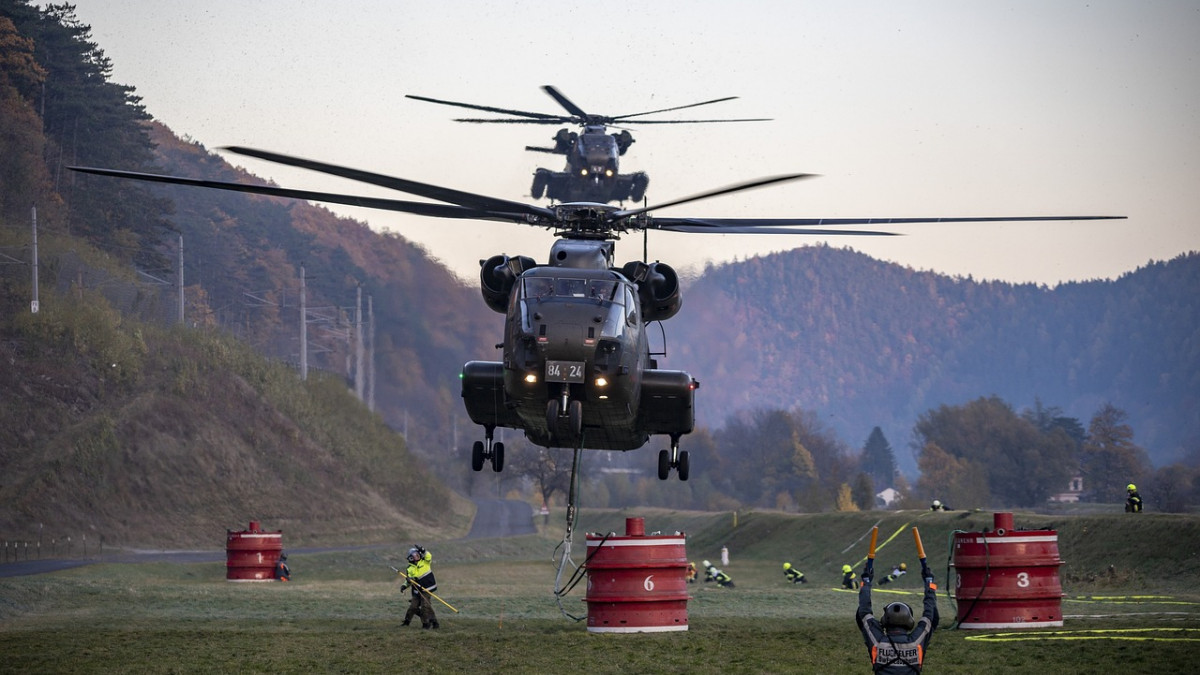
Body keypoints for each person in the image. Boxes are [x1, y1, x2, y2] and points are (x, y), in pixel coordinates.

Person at [856, 560, 939, 673]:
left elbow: (864, 613)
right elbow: (931, 615)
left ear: (885, 620)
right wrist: (929, 583)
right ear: (909, 620)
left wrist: (866, 581)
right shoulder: (916, 641)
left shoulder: (878, 641)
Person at [400, 545, 439, 629]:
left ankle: (426, 624)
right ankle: (407, 622)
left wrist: (423, 550)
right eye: (415, 555)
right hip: (416, 590)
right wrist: (404, 586)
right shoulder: (409, 568)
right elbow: (409, 580)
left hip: (427, 589)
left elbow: (429, 556)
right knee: (413, 607)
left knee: (425, 606)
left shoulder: (425, 562)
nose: (417, 556)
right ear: (411, 558)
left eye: (418, 554)